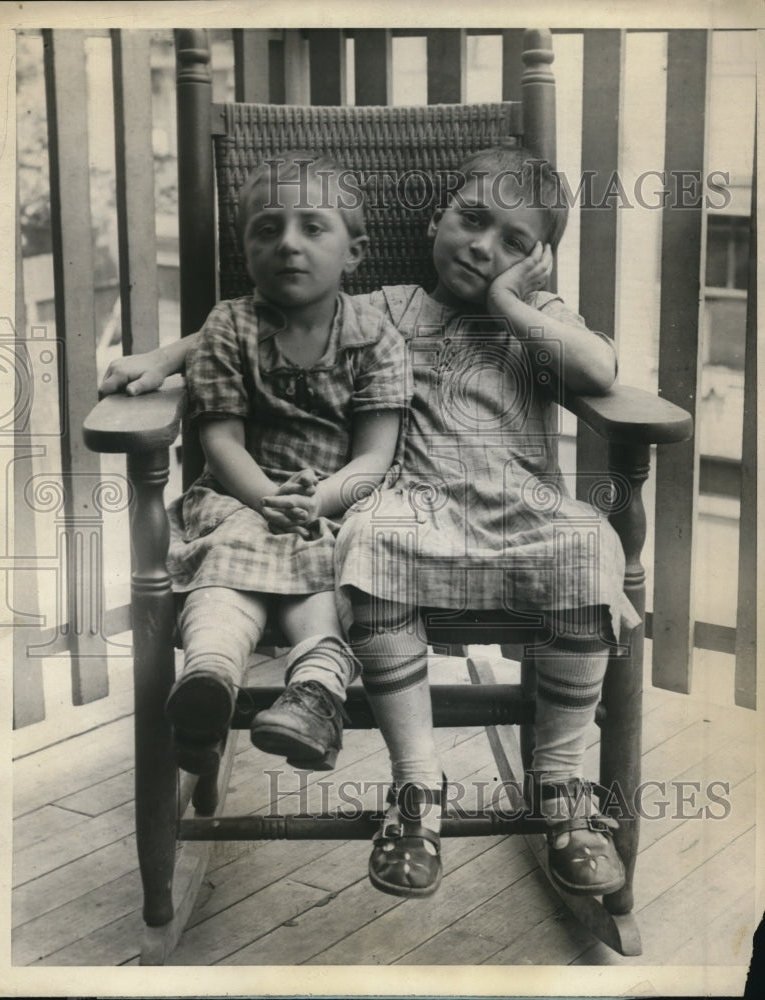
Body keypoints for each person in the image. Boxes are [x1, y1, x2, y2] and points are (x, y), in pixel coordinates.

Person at [101, 147, 638, 903]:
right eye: (471, 219)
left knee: (591, 547)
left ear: (539, 263)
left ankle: (560, 788)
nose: (483, 247)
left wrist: (515, 302)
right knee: (369, 545)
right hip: (408, 498)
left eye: (513, 242)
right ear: (435, 219)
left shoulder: (539, 317)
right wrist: (165, 357)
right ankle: (418, 790)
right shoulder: (385, 306)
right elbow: (267, 322)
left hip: (523, 501)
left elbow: (600, 374)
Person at [159, 150, 411, 777]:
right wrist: (265, 499)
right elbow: (221, 440)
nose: (288, 244)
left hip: (339, 501)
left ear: (353, 252)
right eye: (267, 229)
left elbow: (375, 454)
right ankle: (209, 682)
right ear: (245, 251)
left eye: (312, 227)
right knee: (226, 563)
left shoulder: (376, 336)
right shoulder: (230, 326)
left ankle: (316, 693)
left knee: (336, 569)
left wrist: (321, 501)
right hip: (242, 494)